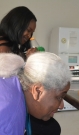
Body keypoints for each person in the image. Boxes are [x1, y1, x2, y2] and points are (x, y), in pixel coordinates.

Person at [0, 6, 61, 135]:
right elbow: (13, 81)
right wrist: (29, 61)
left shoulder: (10, 46)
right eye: (27, 30)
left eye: (31, 32)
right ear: (17, 24)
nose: (29, 36)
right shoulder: (3, 48)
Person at [0, 52, 71, 135]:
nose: (61, 106)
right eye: (59, 97)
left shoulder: (11, 81)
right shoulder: (10, 121)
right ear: (37, 91)